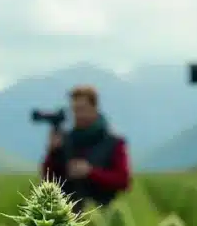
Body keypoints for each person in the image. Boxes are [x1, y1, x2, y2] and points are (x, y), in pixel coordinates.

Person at [40, 84, 131, 212]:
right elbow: (48, 179)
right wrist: (52, 152)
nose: (78, 114)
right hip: (70, 215)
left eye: (82, 109)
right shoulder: (65, 140)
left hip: (103, 212)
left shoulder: (114, 141)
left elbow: (123, 181)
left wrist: (90, 172)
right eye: (75, 110)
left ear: (94, 108)